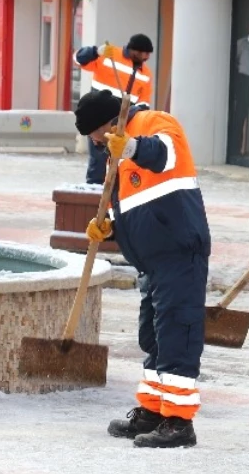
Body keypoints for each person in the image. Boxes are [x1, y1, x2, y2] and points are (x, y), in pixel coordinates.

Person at [75, 89, 210, 449]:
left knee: (178, 335)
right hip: (152, 258)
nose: (94, 142)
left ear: (107, 125)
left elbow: (164, 155)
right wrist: (112, 229)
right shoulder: (115, 152)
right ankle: (153, 410)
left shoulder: (156, 123)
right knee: (153, 336)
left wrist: (130, 147)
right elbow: (140, 206)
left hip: (179, 250)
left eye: (94, 134)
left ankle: (179, 422)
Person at [77, 34, 154, 185]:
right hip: (98, 117)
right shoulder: (110, 56)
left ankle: (116, 193)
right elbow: (80, 58)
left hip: (122, 120)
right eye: (143, 54)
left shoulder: (146, 74)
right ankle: (95, 190)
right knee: (98, 158)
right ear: (134, 50)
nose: (145, 58)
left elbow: (144, 101)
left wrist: (139, 117)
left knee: (120, 160)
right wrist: (96, 52)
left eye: (148, 55)